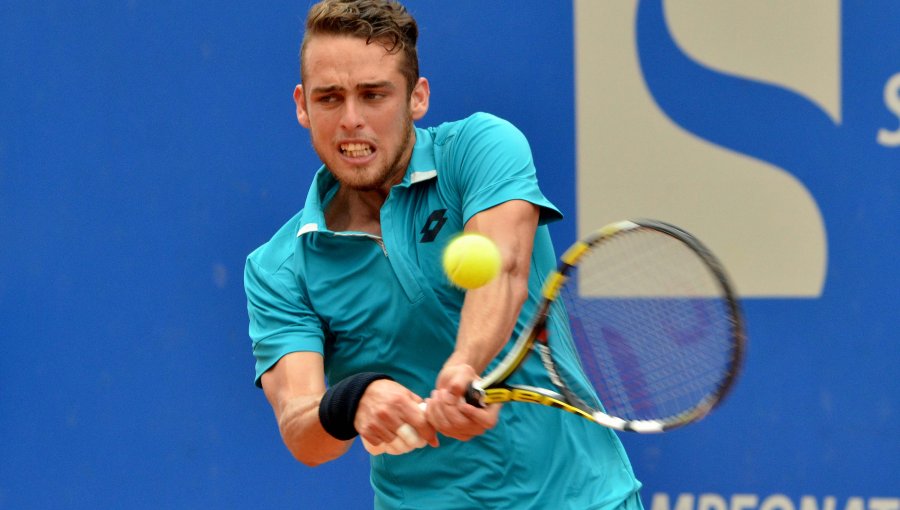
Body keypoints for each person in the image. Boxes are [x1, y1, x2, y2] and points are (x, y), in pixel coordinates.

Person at [244, 0, 644, 508]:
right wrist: (352, 401)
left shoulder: (481, 148)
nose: (351, 120)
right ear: (302, 106)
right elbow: (301, 427)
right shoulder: (279, 269)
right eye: (330, 98)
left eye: (373, 95)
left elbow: (503, 267)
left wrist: (464, 365)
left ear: (417, 97)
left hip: (585, 499)